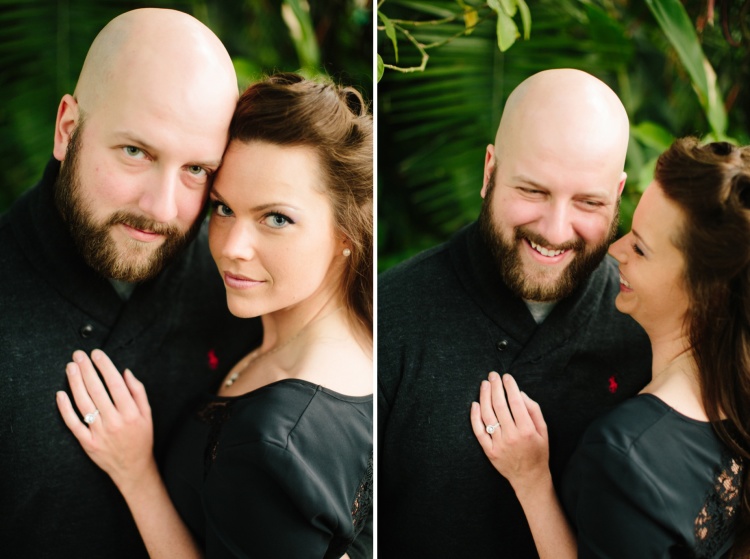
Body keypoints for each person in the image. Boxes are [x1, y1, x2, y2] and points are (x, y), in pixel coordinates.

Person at [56, 74, 374, 559]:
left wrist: (136, 475)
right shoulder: (360, 338)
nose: (231, 248)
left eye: (277, 218)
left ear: (347, 230)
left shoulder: (276, 439)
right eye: (224, 208)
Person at [0, 9, 261, 558]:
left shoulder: (240, 287)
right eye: (136, 152)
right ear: (67, 130)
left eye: (196, 169)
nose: (161, 210)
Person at [377, 68, 653, 557]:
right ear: (490, 171)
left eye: (588, 201)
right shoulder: (390, 318)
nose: (555, 228)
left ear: (618, 194)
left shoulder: (648, 330)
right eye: (533, 191)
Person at [472, 137, 750, 558]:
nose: (616, 250)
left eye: (639, 247)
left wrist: (532, 483)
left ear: (704, 294)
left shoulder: (627, 455)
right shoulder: (737, 399)